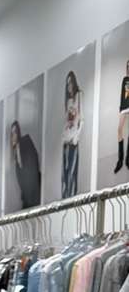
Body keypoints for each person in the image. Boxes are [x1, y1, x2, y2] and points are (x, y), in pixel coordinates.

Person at [9, 118, 41, 208]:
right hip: (25, 191)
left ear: (18, 132)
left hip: (32, 187)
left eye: (15, 132)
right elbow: (20, 172)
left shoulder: (26, 141)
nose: (13, 135)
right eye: (12, 133)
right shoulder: (15, 152)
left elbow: (34, 159)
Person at [61, 70, 83, 198]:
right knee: (65, 175)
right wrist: (63, 137)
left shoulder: (79, 96)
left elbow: (82, 120)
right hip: (65, 141)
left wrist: (76, 136)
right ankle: (65, 201)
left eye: (70, 83)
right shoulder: (68, 101)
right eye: (67, 84)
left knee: (72, 174)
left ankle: (71, 201)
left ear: (74, 83)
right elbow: (66, 122)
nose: (69, 86)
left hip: (73, 142)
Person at [113, 58, 129, 173]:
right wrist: (120, 108)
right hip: (124, 106)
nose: (128, 68)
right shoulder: (125, 79)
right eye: (127, 66)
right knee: (119, 130)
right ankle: (120, 160)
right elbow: (122, 94)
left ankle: (128, 159)